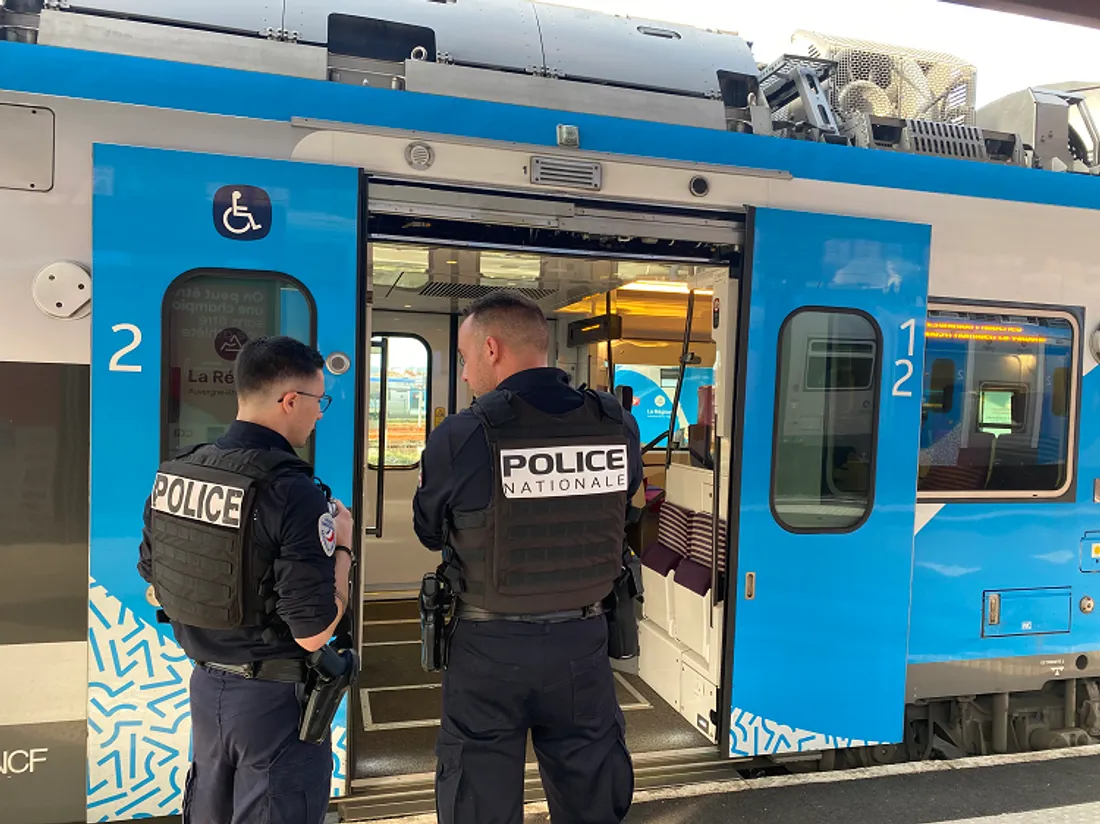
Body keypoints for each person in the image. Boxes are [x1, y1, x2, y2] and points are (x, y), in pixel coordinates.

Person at [413, 289, 642, 824]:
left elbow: (428, 531)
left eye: (467, 360)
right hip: (584, 643)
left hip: (488, 649)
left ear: (492, 349)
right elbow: (622, 506)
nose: (466, 375)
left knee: (479, 800)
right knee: (592, 798)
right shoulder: (616, 424)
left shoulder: (463, 434)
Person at [137, 335, 355, 824]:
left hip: (205, 688)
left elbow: (154, 577)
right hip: (274, 706)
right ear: (290, 401)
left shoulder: (178, 472)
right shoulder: (293, 491)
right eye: (320, 401)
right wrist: (343, 546)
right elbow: (313, 630)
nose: (320, 413)